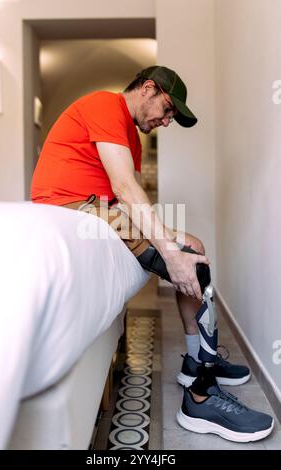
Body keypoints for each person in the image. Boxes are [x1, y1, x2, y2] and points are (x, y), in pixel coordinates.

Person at [31, 65, 273, 442]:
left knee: (193, 246)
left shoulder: (133, 137)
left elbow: (127, 201)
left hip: (104, 209)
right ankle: (200, 394)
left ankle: (197, 360)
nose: (168, 119)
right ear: (148, 88)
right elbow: (125, 188)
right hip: (73, 208)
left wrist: (173, 241)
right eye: (168, 109)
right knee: (182, 260)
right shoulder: (104, 105)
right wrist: (169, 254)